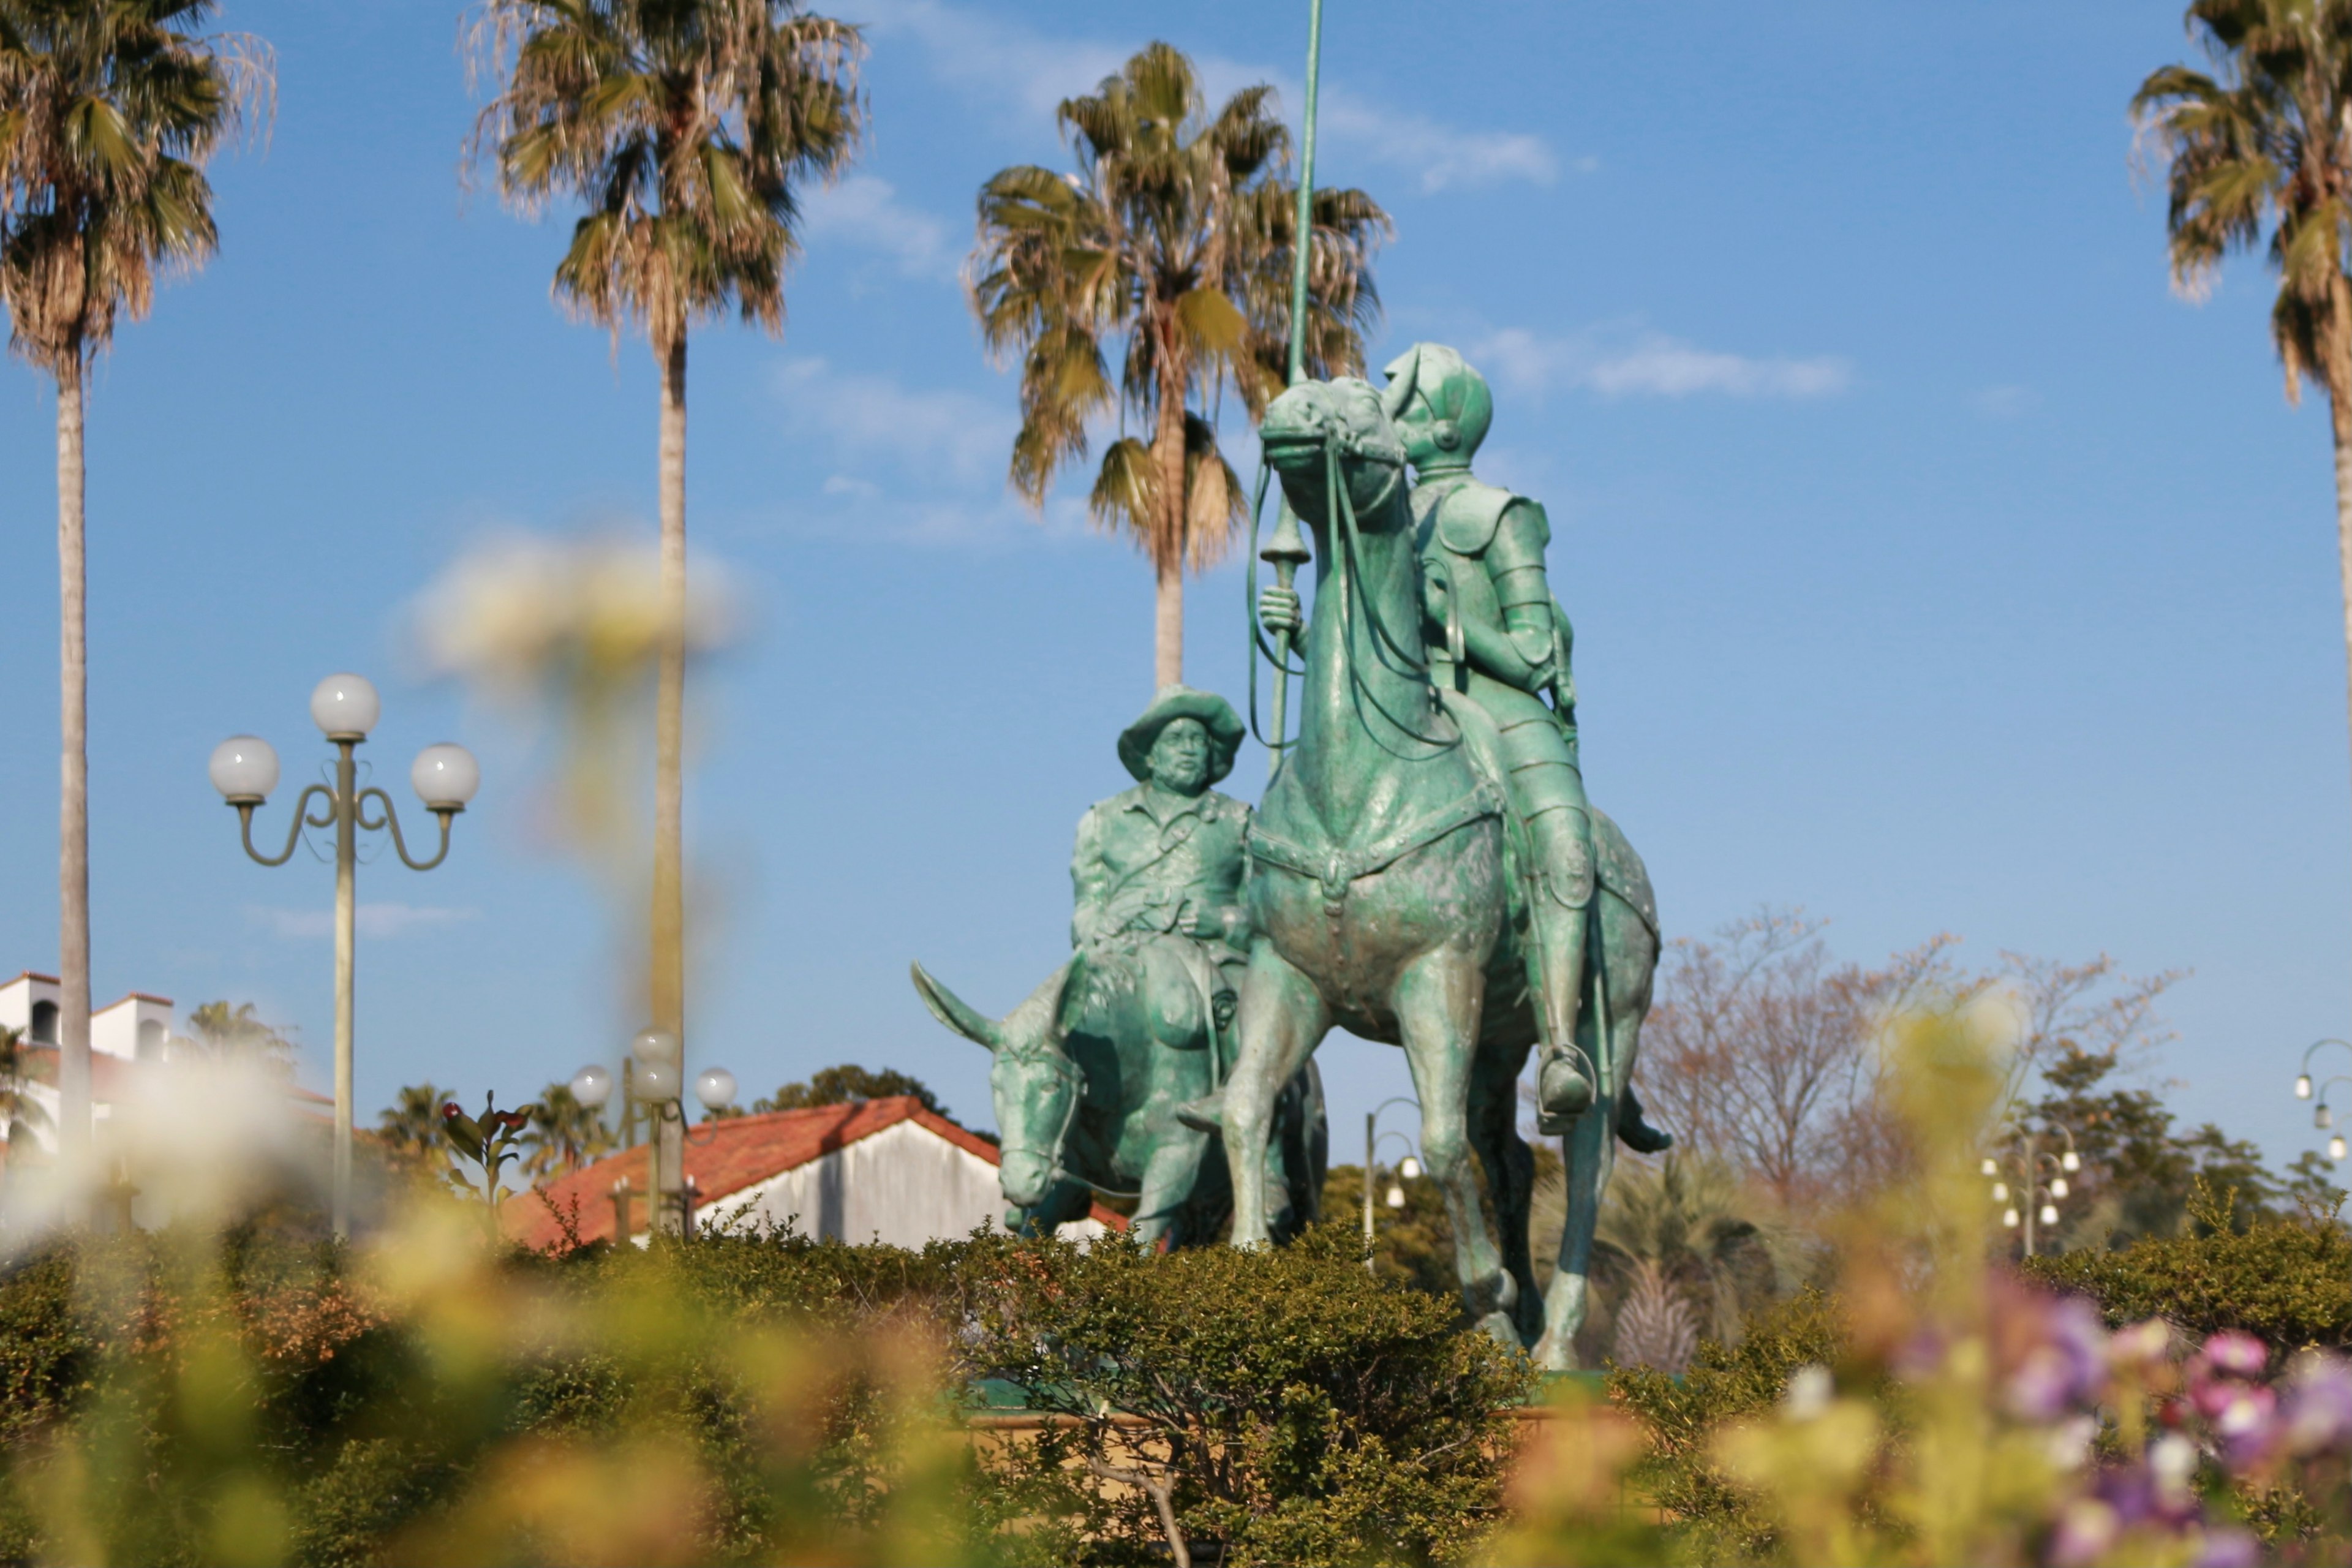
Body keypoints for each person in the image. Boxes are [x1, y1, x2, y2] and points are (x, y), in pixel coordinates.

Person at [1260, 344, 1667, 1149]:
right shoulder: (1380, 507)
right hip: (1403, 710)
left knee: (1564, 838)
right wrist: (1302, 632)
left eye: (1402, 407)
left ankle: (1559, 1049)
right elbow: (1365, 644)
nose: (1390, 419)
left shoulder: (1502, 515)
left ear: (1442, 426)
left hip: (1503, 710)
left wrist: (1446, 619)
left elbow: (1534, 653)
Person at [1070, 685, 1254, 1031]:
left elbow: (1270, 915)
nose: (1188, 749)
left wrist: (1223, 922)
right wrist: (1100, 933)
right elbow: (1087, 905)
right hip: (1123, 960)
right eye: (1176, 739)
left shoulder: (1238, 820)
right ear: (1150, 756)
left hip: (1216, 965)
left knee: (1249, 1031)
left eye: (1198, 741)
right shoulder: (1102, 820)